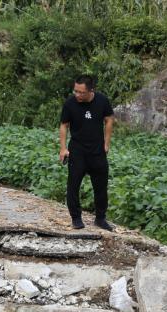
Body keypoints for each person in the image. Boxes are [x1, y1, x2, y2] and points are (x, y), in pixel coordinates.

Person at [59, 75, 115, 231]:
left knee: (101, 186)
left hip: (97, 151)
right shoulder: (70, 103)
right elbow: (64, 125)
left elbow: (109, 119)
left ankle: (100, 218)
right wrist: (63, 148)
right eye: (75, 91)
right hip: (77, 151)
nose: (77, 95)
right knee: (73, 185)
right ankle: (76, 218)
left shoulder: (102, 100)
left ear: (91, 90)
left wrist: (106, 142)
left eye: (81, 92)